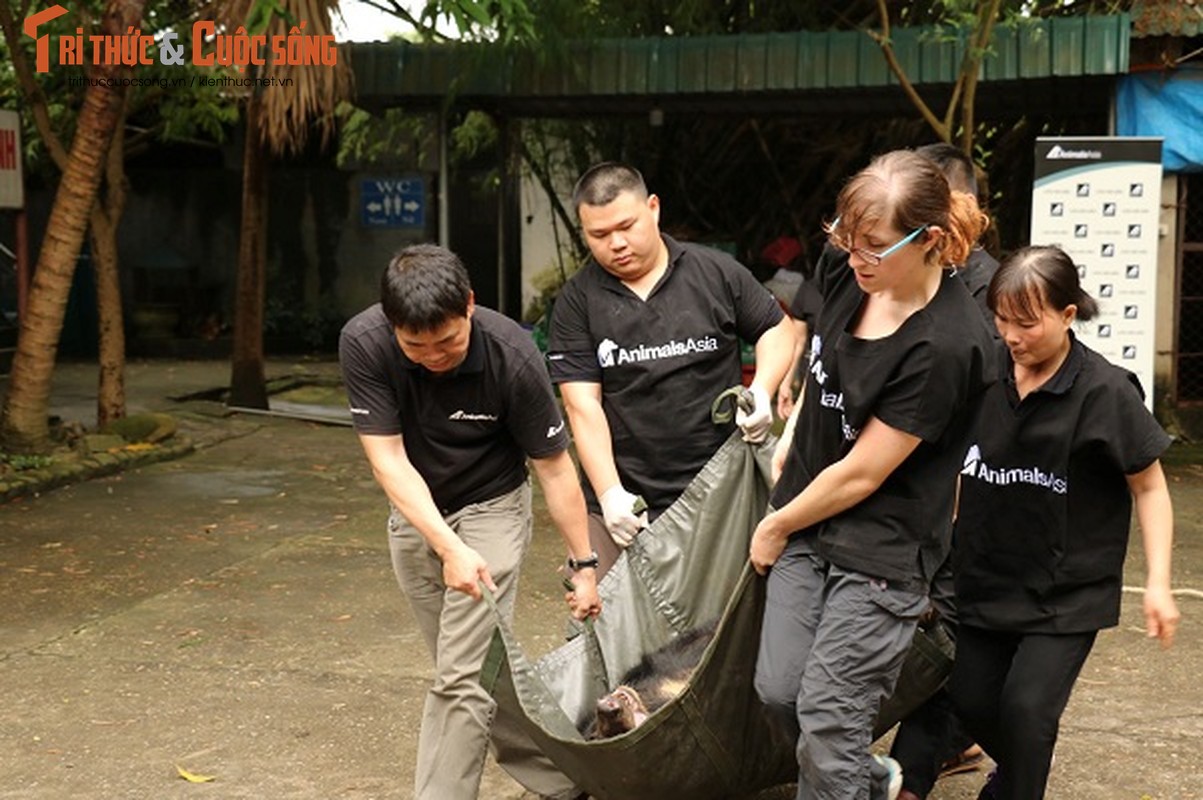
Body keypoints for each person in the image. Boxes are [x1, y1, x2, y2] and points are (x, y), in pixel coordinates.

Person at [749, 149, 996, 800]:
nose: (854, 257)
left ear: (929, 241)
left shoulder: (947, 343)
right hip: (807, 515)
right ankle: (861, 779)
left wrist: (774, 525)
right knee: (779, 691)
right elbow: (817, 346)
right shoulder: (843, 267)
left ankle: (843, 776)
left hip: (880, 545)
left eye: (874, 247)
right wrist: (799, 414)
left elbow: (863, 473)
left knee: (829, 721)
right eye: (844, 238)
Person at [338, 243, 602, 800]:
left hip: (493, 507)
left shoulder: (513, 355)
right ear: (391, 327)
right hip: (416, 508)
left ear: (470, 307)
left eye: (449, 341)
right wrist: (444, 545)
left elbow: (555, 470)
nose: (434, 356)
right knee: (474, 667)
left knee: (459, 679)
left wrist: (584, 564)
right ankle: (561, 773)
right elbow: (388, 461)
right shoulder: (363, 343)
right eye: (416, 346)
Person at [948, 245, 1180, 800]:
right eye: (1002, 321)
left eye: (1027, 323)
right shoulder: (986, 368)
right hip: (987, 577)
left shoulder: (1105, 391)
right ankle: (1016, 774)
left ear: (1067, 315)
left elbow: (1149, 486)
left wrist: (1158, 583)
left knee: (1028, 713)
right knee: (971, 704)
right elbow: (957, 461)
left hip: (1066, 591)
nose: (1012, 336)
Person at [547, 162, 795, 575]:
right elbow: (581, 406)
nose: (617, 243)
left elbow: (776, 329)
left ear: (654, 208)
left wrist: (764, 391)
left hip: (722, 491)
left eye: (627, 226)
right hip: (628, 498)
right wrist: (610, 494)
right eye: (600, 235)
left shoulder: (714, 272)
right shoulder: (577, 302)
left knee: (730, 623)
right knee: (607, 621)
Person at [887, 141, 1000, 800]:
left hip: (970, 496)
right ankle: (955, 742)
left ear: (963, 207)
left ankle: (908, 778)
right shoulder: (907, 275)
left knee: (943, 627)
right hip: (907, 489)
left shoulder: (997, 289)